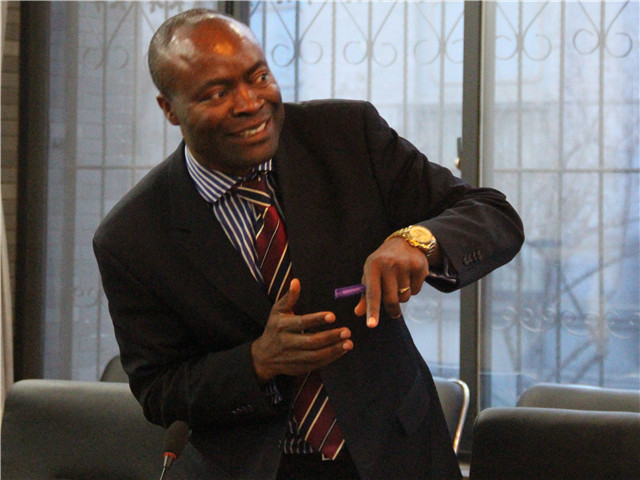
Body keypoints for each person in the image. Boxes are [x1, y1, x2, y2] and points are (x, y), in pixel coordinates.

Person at [93, 9, 524, 480]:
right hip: (254, 468)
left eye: (259, 76)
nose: (250, 102)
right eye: (217, 93)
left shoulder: (346, 136)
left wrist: (419, 242)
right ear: (169, 108)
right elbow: (159, 391)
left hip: (397, 452)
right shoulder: (133, 237)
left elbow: (492, 214)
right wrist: (256, 362)